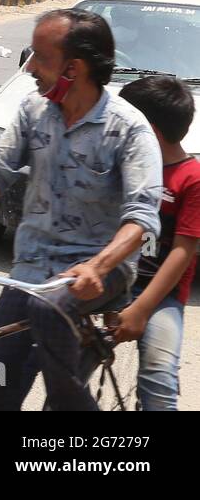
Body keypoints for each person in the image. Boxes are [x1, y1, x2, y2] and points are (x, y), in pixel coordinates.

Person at [0, 10, 163, 411]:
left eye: (39, 57)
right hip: (31, 270)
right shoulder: (33, 110)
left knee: (49, 323)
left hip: (99, 272)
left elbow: (142, 216)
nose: (30, 67)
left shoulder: (128, 129)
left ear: (75, 67)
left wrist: (98, 267)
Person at [114, 75, 200, 411]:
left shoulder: (191, 179)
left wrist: (141, 308)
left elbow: (183, 251)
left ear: (147, 129)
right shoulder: (118, 164)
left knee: (159, 381)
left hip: (160, 297)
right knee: (64, 364)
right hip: (107, 283)